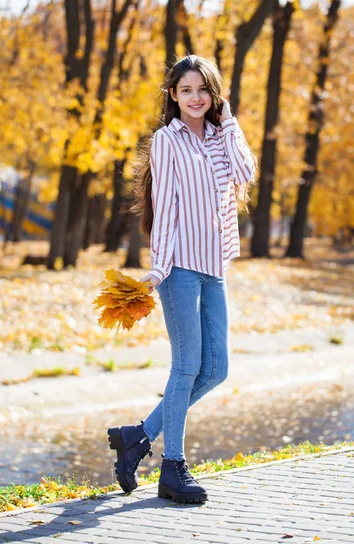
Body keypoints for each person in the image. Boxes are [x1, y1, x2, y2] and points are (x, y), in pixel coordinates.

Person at [107, 54, 257, 504]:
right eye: (186, 90)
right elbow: (167, 206)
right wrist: (158, 267)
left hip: (215, 266)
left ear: (214, 94)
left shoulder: (219, 135)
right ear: (173, 94)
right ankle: (172, 468)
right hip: (180, 267)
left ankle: (137, 436)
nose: (195, 98)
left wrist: (228, 123)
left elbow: (246, 172)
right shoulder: (166, 141)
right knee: (187, 366)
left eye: (203, 90)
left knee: (218, 369)